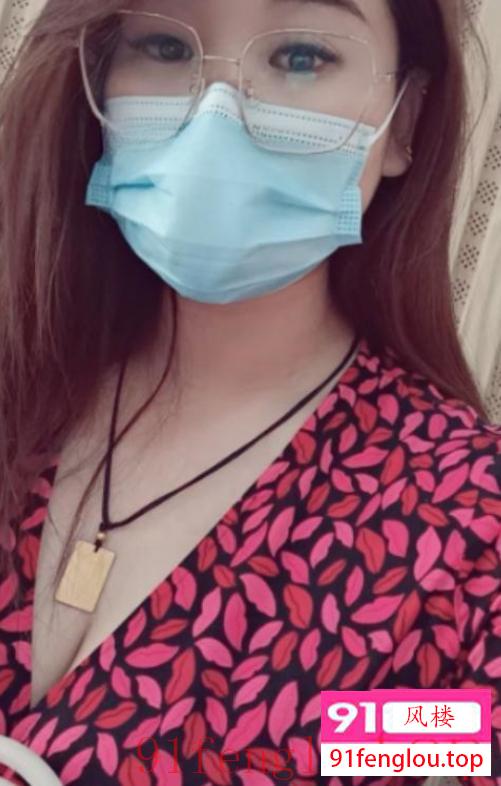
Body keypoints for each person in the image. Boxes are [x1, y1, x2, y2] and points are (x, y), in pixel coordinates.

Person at [0, 0, 499, 784]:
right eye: (163, 46)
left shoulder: (464, 522)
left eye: (301, 56)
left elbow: (415, 747)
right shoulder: (23, 377)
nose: (215, 115)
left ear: (404, 119)